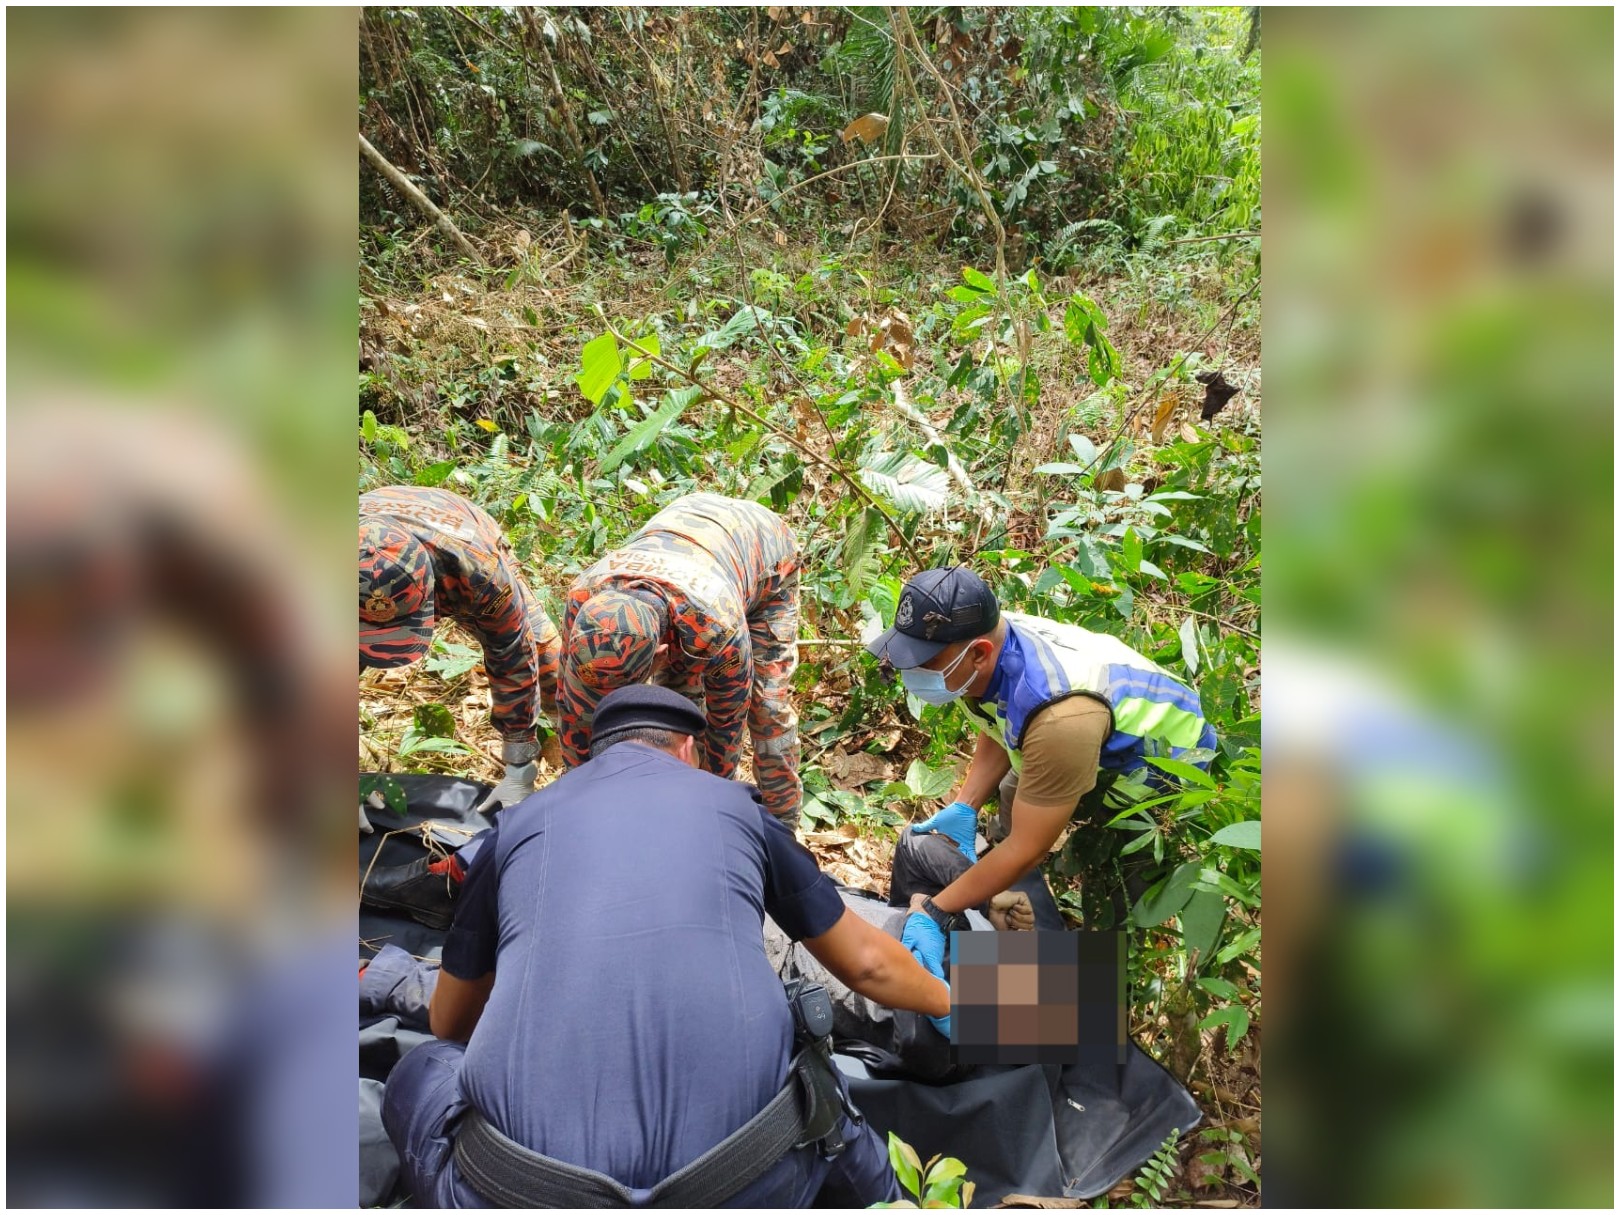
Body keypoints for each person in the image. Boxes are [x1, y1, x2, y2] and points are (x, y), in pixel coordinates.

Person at [380, 685, 952, 1208]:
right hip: (741, 1182)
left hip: (528, 1193)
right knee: (823, 1095)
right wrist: (965, 1002)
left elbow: (450, 1023)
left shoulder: (517, 827)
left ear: (593, 757)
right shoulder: (741, 813)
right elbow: (871, 964)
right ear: (686, 751)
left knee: (426, 1068)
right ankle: (1033, 1016)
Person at [867, 566, 1218, 928]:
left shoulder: (1058, 718)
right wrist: (966, 804)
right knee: (1011, 802)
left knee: (1119, 888)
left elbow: (1029, 846)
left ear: (979, 654)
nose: (911, 668)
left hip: (1158, 768)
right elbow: (997, 718)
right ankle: (1023, 919)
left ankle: (1095, 966)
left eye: (924, 661)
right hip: (1078, 733)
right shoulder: (977, 651)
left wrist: (936, 910)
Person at [558, 492, 803, 826]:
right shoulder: (582, 597)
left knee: (767, 713)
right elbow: (574, 714)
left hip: (764, 557)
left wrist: (711, 819)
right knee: (676, 704)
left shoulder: (718, 627)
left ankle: (784, 829)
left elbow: (725, 732)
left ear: (660, 655)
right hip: (688, 530)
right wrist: (578, 804)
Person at [359, 486, 562, 822]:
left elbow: (512, 655)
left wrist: (519, 760)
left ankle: (578, 762)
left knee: (548, 661)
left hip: (463, 535)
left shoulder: (480, 573)